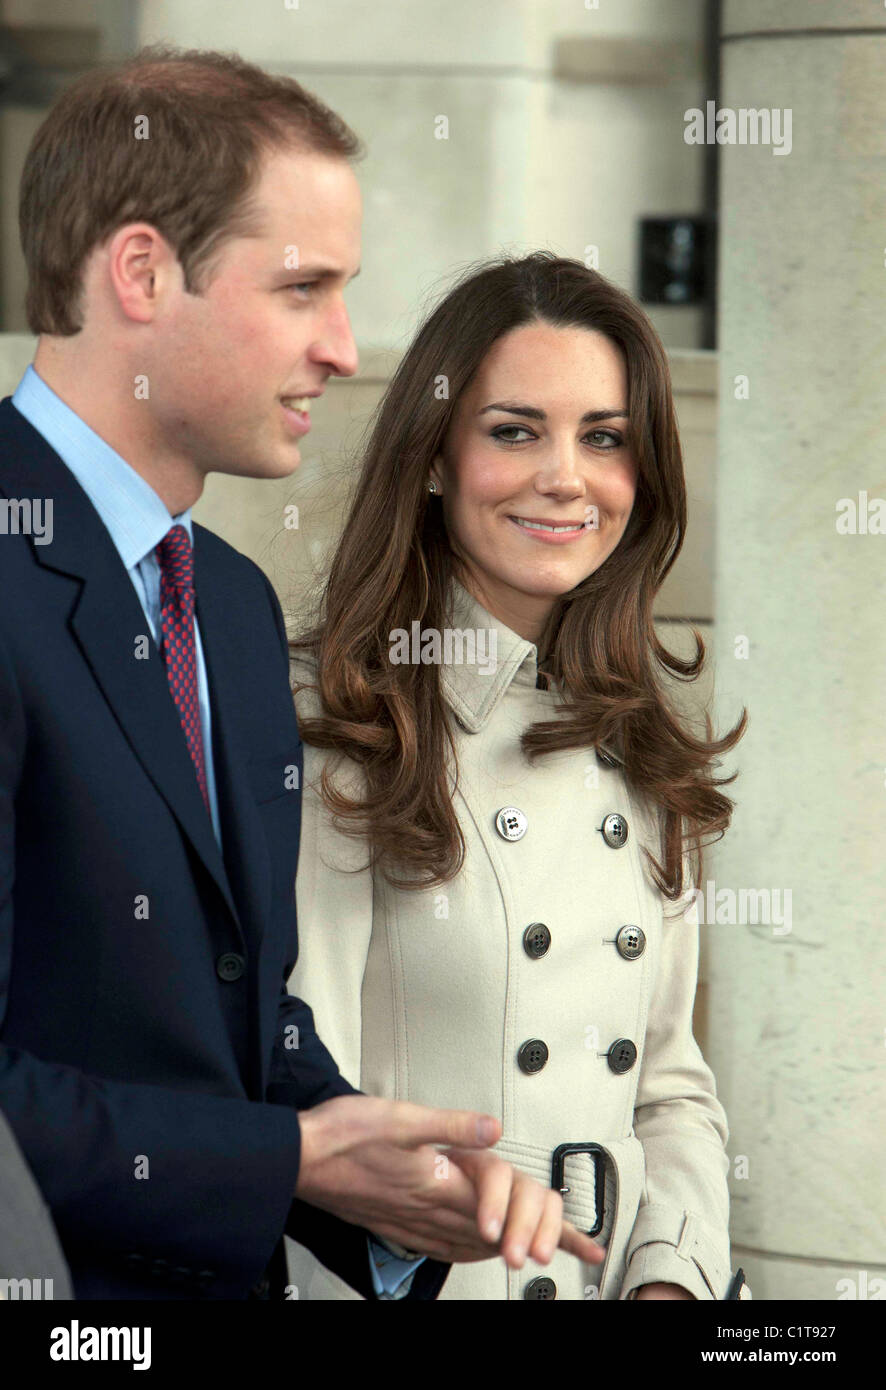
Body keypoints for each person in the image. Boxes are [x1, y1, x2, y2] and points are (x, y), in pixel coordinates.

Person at [0, 48, 603, 1300]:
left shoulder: (223, 599)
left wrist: (393, 1186)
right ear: (143, 271)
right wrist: (285, 1155)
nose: (342, 346)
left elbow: (237, 1014)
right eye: (303, 288)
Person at [286, 251, 749, 1300]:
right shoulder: (337, 726)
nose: (565, 478)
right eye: (513, 430)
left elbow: (669, 1089)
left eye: (605, 438)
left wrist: (670, 1277)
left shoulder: (644, 741)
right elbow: (311, 1116)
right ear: (436, 458)